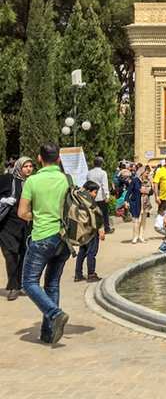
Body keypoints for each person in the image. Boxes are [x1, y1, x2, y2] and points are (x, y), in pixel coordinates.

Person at [17, 143, 71, 343]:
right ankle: (48, 333)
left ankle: (54, 313)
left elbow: (22, 213)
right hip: (64, 239)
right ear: (58, 159)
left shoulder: (33, 181)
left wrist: (36, 216)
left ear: (39, 159)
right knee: (52, 283)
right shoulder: (67, 179)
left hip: (42, 237)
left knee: (29, 282)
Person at [0, 156, 33, 300]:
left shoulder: (32, 182)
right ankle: (13, 286)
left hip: (25, 224)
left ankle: (21, 285)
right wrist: (4, 200)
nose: (28, 169)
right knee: (11, 254)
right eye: (25, 166)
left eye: (30, 166)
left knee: (23, 254)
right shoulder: (8, 179)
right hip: (7, 225)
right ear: (19, 166)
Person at [74, 180, 106, 282]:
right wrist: (100, 230)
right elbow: (94, 218)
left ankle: (78, 274)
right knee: (91, 253)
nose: (96, 195)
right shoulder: (89, 203)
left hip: (82, 231)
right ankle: (91, 274)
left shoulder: (79, 201)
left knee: (82, 252)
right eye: (95, 192)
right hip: (91, 232)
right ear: (88, 191)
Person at [86, 156, 114, 234]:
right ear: (101, 164)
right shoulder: (103, 173)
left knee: (93, 213)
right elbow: (104, 185)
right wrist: (107, 195)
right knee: (104, 213)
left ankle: (94, 228)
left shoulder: (89, 173)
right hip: (101, 196)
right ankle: (106, 228)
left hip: (92, 196)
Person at [125, 166, 149, 244]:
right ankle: (135, 237)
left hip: (145, 203)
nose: (147, 175)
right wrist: (126, 201)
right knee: (136, 220)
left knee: (143, 220)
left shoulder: (147, 181)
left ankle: (141, 236)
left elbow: (151, 191)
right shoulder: (135, 181)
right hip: (136, 202)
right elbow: (129, 191)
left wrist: (146, 192)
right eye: (146, 173)